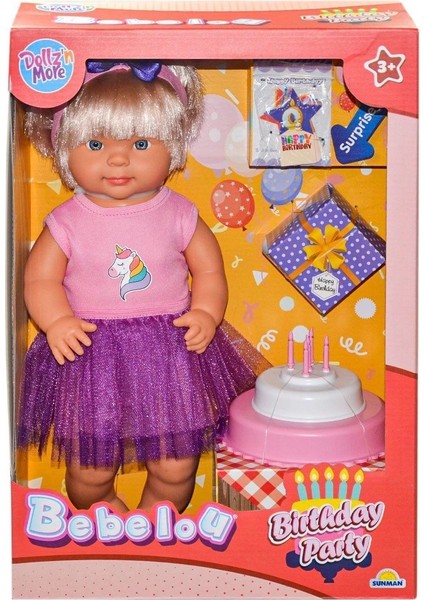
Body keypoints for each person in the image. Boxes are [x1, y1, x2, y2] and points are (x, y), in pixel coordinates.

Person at [17, 61, 260, 514]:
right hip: (89, 351)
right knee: (89, 472)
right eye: (95, 144)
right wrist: (56, 321)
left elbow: (209, 272)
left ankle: (152, 526)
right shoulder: (67, 221)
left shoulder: (179, 213)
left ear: (174, 145)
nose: (118, 159)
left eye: (141, 144)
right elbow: (39, 279)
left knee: (176, 465)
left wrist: (206, 313)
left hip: (169, 352)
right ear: (64, 146)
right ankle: (109, 519)